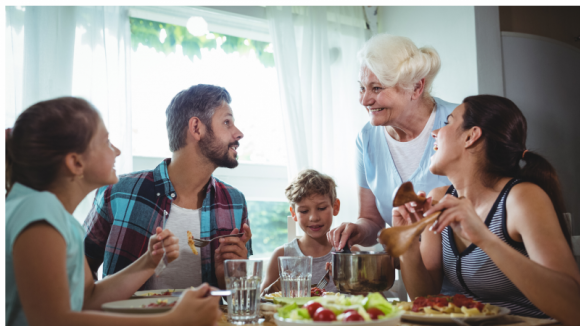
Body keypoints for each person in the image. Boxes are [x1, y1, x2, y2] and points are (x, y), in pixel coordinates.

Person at [5, 97, 222, 326]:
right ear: (76, 163)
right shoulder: (39, 211)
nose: (117, 151)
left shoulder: (54, 216)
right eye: (106, 142)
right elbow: (52, 320)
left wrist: (149, 262)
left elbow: (89, 299)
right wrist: (173, 320)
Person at [392, 95, 580, 323]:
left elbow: (574, 308)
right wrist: (409, 244)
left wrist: (484, 238)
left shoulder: (521, 198)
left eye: (448, 122)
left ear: (471, 136)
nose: (435, 133)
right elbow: (424, 297)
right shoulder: (439, 199)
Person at [84, 84, 253, 290]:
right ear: (196, 128)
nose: (239, 133)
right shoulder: (117, 193)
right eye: (227, 122)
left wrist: (231, 276)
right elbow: (77, 276)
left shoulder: (235, 202)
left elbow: (239, 296)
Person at [326, 33, 459, 294]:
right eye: (362, 88)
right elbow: (371, 219)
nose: (364, 100)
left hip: (477, 283)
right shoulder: (366, 138)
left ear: (416, 88)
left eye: (377, 88)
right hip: (420, 286)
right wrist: (357, 230)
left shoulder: (457, 124)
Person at [261, 169, 340, 294]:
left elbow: (374, 303)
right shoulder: (281, 256)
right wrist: (274, 289)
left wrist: (347, 283)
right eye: (304, 211)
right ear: (293, 213)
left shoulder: (351, 255)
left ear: (335, 207)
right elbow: (260, 302)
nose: (314, 217)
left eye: (321, 208)